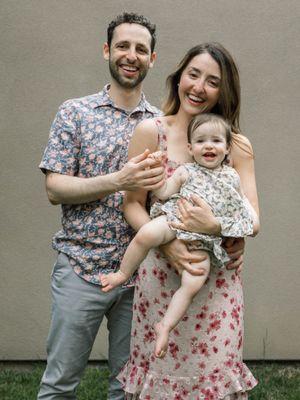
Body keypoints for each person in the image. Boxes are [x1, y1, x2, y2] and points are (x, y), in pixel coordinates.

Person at [117, 43, 260, 399]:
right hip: (161, 278)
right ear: (178, 77)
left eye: (212, 81)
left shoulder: (236, 145)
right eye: (193, 75)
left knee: (213, 377)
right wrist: (167, 243)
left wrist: (219, 228)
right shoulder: (152, 132)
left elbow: (253, 216)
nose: (199, 87)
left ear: (223, 91)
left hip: (215, 281)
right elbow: (132, 205)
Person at [37, 12, 165, 400]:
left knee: (129, 389)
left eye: (141, 49)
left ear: (152, 59)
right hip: (80, 266)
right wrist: (118, 181)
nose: (132, 55)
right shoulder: (74, 112)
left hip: (139, 276)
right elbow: (54, 187)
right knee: (60, 385)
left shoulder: (163, 124)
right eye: (123, 46)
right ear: (107, 50)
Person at [100, 112, 259, 359]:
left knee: (194, 281)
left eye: (216, 141)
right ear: (190, 148)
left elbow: (245, 214)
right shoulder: (186, 171)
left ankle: (165, 325)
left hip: (203, 240)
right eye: (201, 140)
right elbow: (163, 192)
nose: (209, 145)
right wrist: (156, 175)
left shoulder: (232, 177)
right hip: (174, 220)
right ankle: (122, 273)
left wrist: (223, 226)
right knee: (147, 233)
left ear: (228, 148)